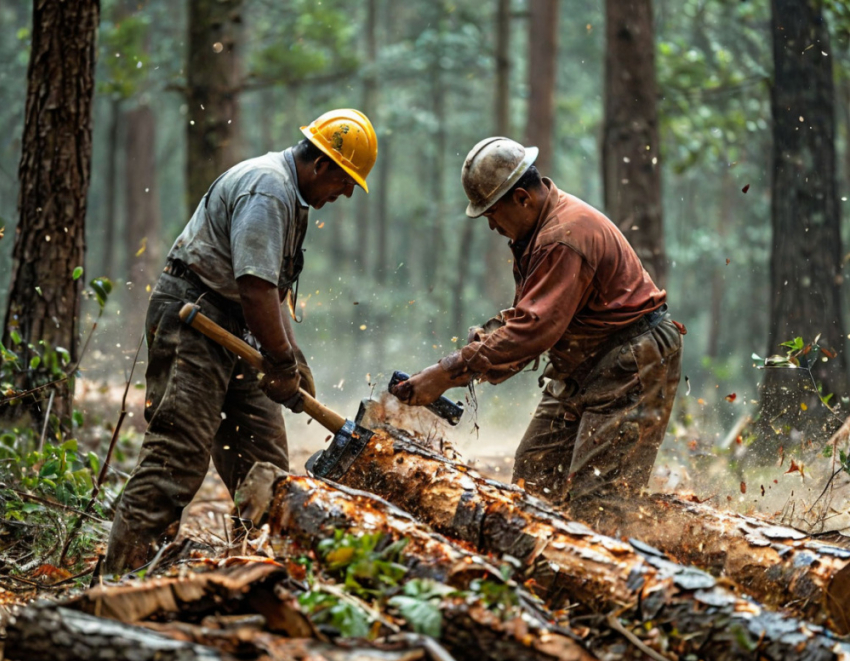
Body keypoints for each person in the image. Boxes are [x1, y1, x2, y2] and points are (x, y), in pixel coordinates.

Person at [104, 109, 378, 574]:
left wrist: (294, 361)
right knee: (179, 454)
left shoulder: (292, 198)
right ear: (321, 165)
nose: (346, 191)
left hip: (238, 323)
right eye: (346, 179)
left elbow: (273, 290)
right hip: (196, 315)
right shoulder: (268, 188)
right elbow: (254, 286)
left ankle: (258, 572)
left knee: (265, 464)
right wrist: (280, 362)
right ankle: (120, 578)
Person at [391, 137, 684, 520]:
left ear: (523, 199)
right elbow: (533, 317)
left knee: (598, 500)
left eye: (492, 214)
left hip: (632, 359)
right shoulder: (540, 231)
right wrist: (481, 348)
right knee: (535, 474)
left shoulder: (563, 236)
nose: (492, 226)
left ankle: (610, 570)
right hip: (588, 359)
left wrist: (448, 373)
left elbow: (534, 330)